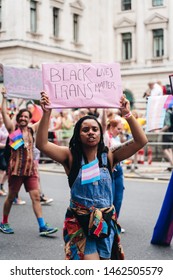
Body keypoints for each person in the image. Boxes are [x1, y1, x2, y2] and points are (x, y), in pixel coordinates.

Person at [36, 91, 148, 260]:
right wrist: (47, 113)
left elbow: (141, 141)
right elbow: (42, 144)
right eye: (85, 130)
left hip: (105, 223)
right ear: (78, 135)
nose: (91, 132)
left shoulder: (109, 156)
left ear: (100, 133)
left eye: (95, 129)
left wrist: (127, 114)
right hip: (79, 222)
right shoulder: (70, 156)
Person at [0, 87, 58, 236]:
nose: (24, 118)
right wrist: (4, 97)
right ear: (18, 118)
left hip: (30, 170)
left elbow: (44, 118)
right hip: (16, 170)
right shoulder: (13, 129)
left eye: (27, 116)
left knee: (36, 196)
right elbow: (4, 113)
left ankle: (42, 226)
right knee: (11, 197)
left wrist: (48, 107)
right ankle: (4, 222)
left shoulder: (32, 129)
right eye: (22, 116)